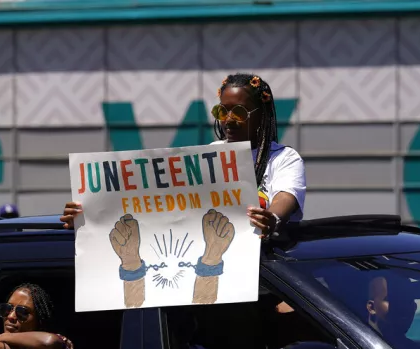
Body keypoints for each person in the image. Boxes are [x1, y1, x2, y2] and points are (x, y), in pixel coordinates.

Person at [61, 73, 306, 238]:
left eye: (239, 111)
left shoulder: (283, 158)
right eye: (222, 110)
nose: (228, 119)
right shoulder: (210, 154)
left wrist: (271, 218)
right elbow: (157, 206)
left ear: (261, 113)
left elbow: (285, 198)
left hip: (268, 274)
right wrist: (89, 217)